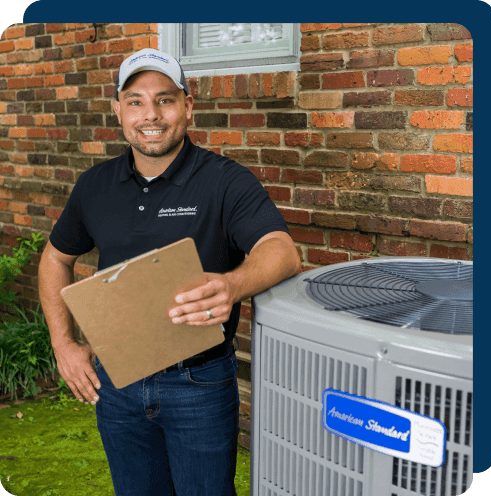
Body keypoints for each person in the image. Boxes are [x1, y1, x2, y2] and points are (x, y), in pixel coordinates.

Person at [38, 48, 301, 496]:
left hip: (197, 382)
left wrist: (232, 284)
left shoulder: (225, 181)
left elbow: (282, 252)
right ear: (118, 109)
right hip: (117, 382)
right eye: (136, 101)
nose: (151, 115)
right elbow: (55, 258)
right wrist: (63, 344)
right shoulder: (95, 186)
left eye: (165, 99)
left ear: (188, 105)